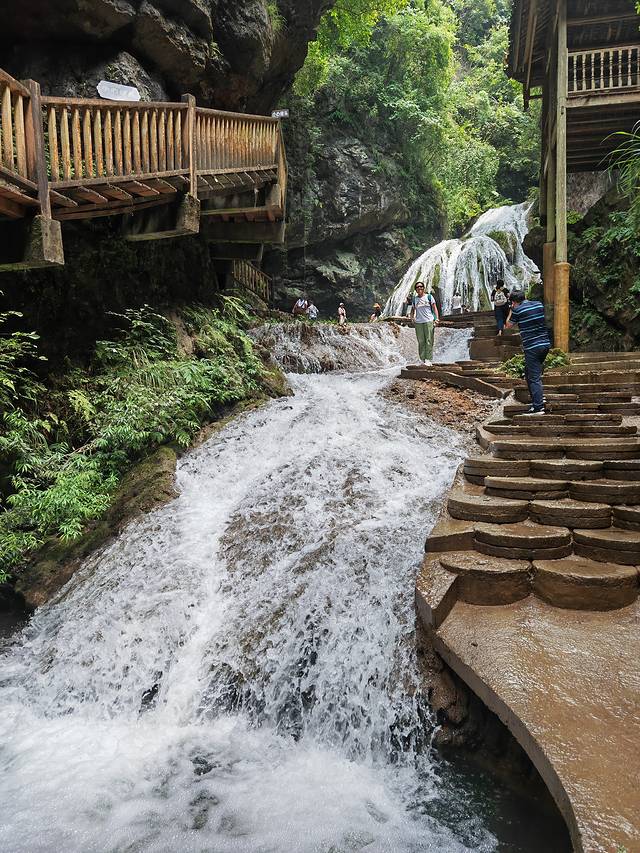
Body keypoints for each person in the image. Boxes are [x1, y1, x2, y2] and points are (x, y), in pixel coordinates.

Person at [506, 289, 551, 415]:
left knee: (534, 377)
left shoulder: (517, 310)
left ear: (514, 302)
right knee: (529, 372)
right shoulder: (538, 304)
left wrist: (511, 309)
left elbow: (508, 325)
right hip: (545, 345)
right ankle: (538, 398)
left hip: (532, 347)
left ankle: (538, 407)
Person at [409, 282, 439, 366]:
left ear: (424, 288)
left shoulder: (429, 297)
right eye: (417, 287)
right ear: (415, 289)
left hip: (429, 321)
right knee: (421, 341)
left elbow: (435, 308)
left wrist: (437, 318)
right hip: (418, 322)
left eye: (421, 286)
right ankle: (422, 359)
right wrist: (412, 318)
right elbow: (412, 310)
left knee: (429, 340)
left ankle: (428, 359)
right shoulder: (415, 299)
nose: (419, 288)